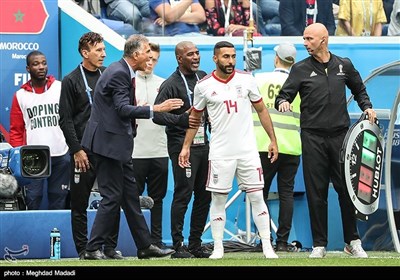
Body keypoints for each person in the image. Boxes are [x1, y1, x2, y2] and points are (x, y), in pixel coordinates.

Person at [275, 23, 374, 258]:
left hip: (341, 137)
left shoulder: (344, 65)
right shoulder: (299, 69)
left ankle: (352, 241)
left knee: (346, 191)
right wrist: (283, 103)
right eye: (304, 38)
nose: (305, 43)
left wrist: (367, 107)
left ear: (324, 39)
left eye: (309, 39)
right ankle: (319, 244)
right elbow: (283, 96)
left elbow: (359, 90)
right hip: (312, 138)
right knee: (316, 192)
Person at [80, 34, 182, 260]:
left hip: (118, 145)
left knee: (131, 198)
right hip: (108, 146)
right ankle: (92, 248)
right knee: (112, 196)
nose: (150, 56)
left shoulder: (122, 70)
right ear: (135, 55)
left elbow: (120, 108)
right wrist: (157, 109)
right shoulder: (118, 73)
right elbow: (122, 109)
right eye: (147, 52)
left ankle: (145, 246)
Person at [178, 41, 279, 259]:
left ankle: (267, 246)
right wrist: (186, 146)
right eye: (225, 57)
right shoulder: (203, 86)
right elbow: (195, 118)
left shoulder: (247, 80)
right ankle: (218, 247)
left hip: (247, 151)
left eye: (233, 56)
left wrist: (273, 140)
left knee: (257, 197)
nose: (230, 61)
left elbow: (261, 110)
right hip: (220, 152)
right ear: (215, 59)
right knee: (218, 200)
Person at [59, 32, 122, 260]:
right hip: (83, 151)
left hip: (108, 149)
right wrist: (76, 149)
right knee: (79, 203)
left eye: (104, 50)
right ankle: (84, 250)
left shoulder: (109, 75)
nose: (104, 54)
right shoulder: (71, 80)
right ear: (85, 53)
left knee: (112, 198)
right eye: (98, 50)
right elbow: (65, 119)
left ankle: (109, 248)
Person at [153, 41, 211, 259]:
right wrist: (182, 119)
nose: (196, 57)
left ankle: (196, 243)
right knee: (183, 194)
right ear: (179, 58)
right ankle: (178, 244)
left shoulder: (203, 77)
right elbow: (157, 116)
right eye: (190, 54)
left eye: (197, 53)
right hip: (180, 146)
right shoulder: (171, 84)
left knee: (204, 195)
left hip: (203, 144)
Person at [253, 43, 301, 252]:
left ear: (276, 59)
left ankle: (264, 241)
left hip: (263, 145)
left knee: (259, 194)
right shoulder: (299, 82)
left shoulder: (259, 79)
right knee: (286, 194)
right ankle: (282, 242)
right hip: (291, 146)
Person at [9, 51, 70, 210]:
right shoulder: (20, 95)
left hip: (61, 152)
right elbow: (16, 129)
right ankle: (30, 234)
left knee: (59, 197)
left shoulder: (60, 87)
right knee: (33, 198)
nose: (41, 67)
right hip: (33, 156)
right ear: (28, 68)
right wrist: (18, 156)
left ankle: (56, 233)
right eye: (36, 64)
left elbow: (71, 119)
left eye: (44, 63)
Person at [132, 42, 169, 249]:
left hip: (159, 151)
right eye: (148, 58)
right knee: (131, 201)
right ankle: (136, 242)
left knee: (157, 199)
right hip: (134, 152)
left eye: (154, 59)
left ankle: (156, 240)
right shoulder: (128, 83)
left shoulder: (164, 84)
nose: (150, 62)